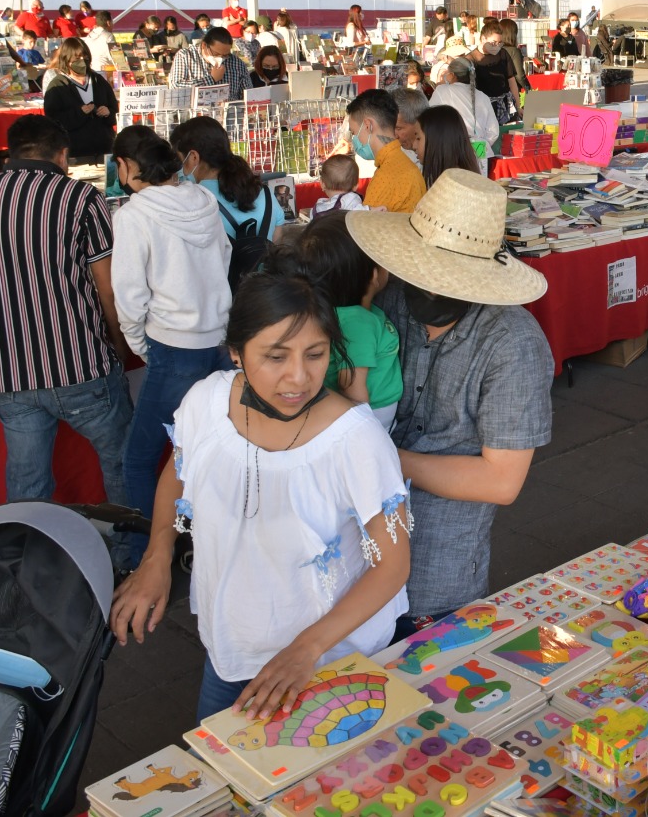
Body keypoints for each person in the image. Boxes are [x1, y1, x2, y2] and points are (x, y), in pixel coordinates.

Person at [110, 258, 412, 719]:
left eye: (315, 354)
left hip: (334, 659)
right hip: (232, 650)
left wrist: (305, 649)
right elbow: (179, 467)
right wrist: (157, 556)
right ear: (236, 352)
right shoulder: (207, 402)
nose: (298, 377)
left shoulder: (356, 438)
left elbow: (393, 565)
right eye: (275, 356)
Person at [352, 171, 553, 623]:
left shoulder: (513, 343)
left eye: (450, 279)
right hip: (351, 556)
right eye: (423, 274)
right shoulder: (387, 300)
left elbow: (500, 481)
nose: (430, 288)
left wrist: (375, 454)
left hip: (435, 573)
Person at [0, 115, 132, 512]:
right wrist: (118, 344)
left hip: (11, 368)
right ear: (62, 154)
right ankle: (132, 556)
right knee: (121, 462)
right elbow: (108, 288)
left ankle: (27, 560)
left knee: (27, 480)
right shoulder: (81, 197)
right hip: (80, 363)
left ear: (10, 152)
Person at [109, 126, 232, 547]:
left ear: (125, 166)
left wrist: (145, 348)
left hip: (175, 347)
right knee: (209, 448)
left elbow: (128, 296)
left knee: (139, 461)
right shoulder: (204, 200)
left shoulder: (132, 215)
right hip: (219, 342)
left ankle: (149, 555)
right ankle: (206, 540)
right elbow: (225, 258)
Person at [296, 212, 402, 430]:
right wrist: (365, 434)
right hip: (373, 419)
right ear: (374, 275)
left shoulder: (335, 314)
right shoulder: (358, 323)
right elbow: (352, 386)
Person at [170, 115, 280, 243]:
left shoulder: (191, 200)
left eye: (179, 159)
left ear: (194, 157)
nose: (180, 167)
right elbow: (277, 240)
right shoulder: (267, 194)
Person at [346, 89, 427, 212]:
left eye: (354, 132)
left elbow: (362, 227)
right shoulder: (400, 163)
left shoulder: (388, 175)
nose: (354, 139)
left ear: (368, 125)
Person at [42, 37, 119, 158]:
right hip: (74, 152)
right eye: (77, 58)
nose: (82, 61)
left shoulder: (98, 80)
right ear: (67, 60)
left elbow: (114, 110)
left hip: (104, 148)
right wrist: (79, 113)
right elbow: (53, 120)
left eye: (85, 57)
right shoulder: (57, 85)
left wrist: (108, 112)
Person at [430, 57, 501, 177]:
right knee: (478, 188)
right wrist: (480, 142)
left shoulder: (442, 91)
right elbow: (493, 132)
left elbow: (431, 121)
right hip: (481, 147)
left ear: (451, 74)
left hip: (452, 148)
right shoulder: (483, 96)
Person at [169, 27, 250, 100]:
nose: (221, 58)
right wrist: (211, 79)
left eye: (225, 55)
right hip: (197, 113)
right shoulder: (185, 55)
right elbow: (176, 87)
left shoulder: (236, 63)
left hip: (229, 113)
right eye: (217, 54)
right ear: (204, 45)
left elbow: (248, 93)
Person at [416, 105, 480, 189]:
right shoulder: (452, 177)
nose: (414, 145)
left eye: (418, 138)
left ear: (436, 140)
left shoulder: (455, 186)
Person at [472, 22, 520, 102]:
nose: (497, 46)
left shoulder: (503, 53)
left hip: (503, 102)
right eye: (493, 43)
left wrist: (518, 105)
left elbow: (511, 80)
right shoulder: (472, 58)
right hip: (483, 104)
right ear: (483, 39)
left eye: (500, 43)